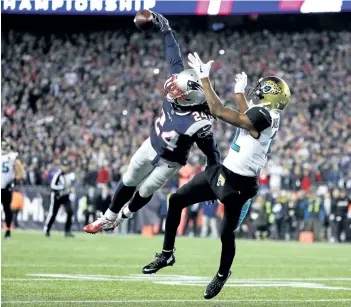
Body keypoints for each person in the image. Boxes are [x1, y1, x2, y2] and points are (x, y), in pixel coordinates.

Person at [142, 52, 291, 299]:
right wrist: (239, 94)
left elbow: (218, 110)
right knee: (176, 200)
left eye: (262, 89)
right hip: (222, 172)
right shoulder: (264, 114)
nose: (259, 91)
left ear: (270, 93)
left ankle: (222, 275)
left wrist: (204, 79)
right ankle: (167, 254)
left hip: (240, 184)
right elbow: (247, 118)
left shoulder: (266, 116)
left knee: (225, 233)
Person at [83, 13, 220, 234]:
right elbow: (174, 57)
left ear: (189, 98)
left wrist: (211, 182)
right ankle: (107, 218)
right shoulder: (182, 85)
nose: (171, 89)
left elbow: (212, 154)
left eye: (177, 90)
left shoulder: (199, 123)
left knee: (146, 189)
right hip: (152, 144)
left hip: (170, 161)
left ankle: (123, 217)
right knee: (130, 178)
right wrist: (166, 30)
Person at [43, 158, 74, 237]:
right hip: (57, 196)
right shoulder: (58, 175)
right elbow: (52, 186)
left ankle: (67, 231)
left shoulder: (68, 175)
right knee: (53, 213)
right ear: (62, 166)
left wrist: (70, 190)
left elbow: (69, 186)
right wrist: (62, 187)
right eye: (64, 166)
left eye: (67, 166)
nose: (66, 167)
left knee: (70, 211)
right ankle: (47, 229)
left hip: (65, 196)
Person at [1, 140, 25, 239]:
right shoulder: (12, 156)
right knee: (7, 209)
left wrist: (13, 181)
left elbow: (20, 171)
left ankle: (7, 230)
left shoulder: (12, 156)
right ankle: (7, 231)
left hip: (6, 185)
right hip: (5, 185)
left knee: (7, 209)